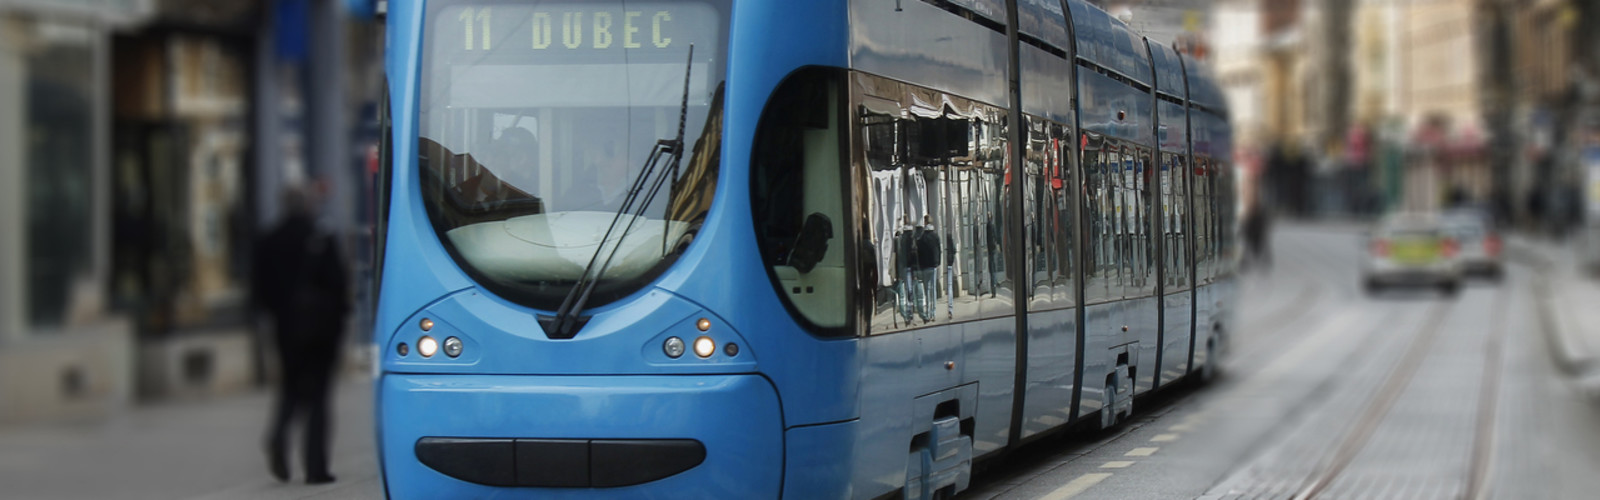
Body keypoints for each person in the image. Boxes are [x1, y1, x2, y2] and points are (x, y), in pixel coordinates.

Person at [254, 181, 349, 485]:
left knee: (291, 387)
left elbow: (259, 290)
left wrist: (281, 314)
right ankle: (315, 467)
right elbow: (339, 285)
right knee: (319, 397)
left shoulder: (270, 239)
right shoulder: (320, 237)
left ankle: (279, 436)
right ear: (308, 206)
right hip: (322, 330)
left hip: (286, 328)